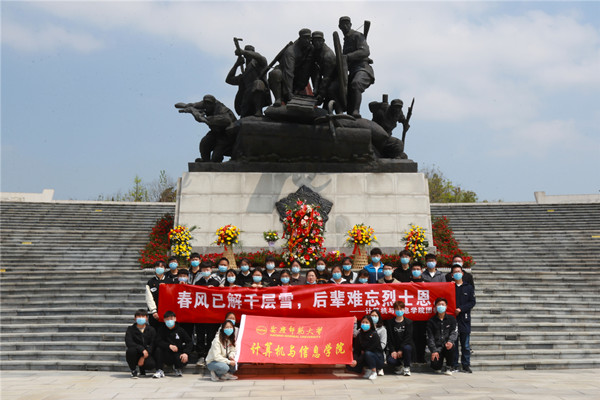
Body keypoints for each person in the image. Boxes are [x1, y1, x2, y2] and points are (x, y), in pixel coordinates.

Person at [176, 94, 237, 163]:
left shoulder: (222, 109)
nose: (207, 106)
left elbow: (227, 120)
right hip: (215, 132)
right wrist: (189, 107)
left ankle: (214, 163)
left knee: (216, 157)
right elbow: (180, 105)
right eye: (206, 103)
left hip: (227, 135)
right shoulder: (203, 104)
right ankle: (205, 160)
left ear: (214, 104)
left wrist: (206, 118)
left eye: (209, 104)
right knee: (204, 143)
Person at [338, 16, 375, 118]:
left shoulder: (357, 36)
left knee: (356, 83)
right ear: (340, 27)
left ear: (350, 25)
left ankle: (356, 111)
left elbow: (365, 51)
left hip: (363, 68)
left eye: (347, 24)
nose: (345, 26)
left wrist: (348, 57)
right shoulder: (346, 41)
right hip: (352, 71)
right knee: (341, 90)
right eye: (343, 24)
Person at [269, 28, 314, 106]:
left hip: (297, 76)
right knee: (275, 73)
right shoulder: (291, 51)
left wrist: (299, 87)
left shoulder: (310, 48)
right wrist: (289, 93)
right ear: (300, 38)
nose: (307, 41)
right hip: (284, 75)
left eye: (309, 38)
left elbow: (307, 68)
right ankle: (278, 99)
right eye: (305, 38)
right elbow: (288, 72)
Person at [226, 44, 271, 117]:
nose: (248, 54)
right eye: (247, 52)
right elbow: (229, 80)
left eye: (250, 52)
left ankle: (258, 110)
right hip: (246, 98)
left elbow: (259, 57)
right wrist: (236, 65)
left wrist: (243, 52)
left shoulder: (260, 64)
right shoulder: (244, 75)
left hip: (260, 92)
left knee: (258, 83)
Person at [451, 265, 476, 373]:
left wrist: (461, 309)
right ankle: (454, 364)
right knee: (454, 344)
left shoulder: (468, 287)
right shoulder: (450, 286)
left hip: (464, 319)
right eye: (455, 272)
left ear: (462, 273)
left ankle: (466, 364)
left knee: (465, 344)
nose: (457, 273)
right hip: (453, 319)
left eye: (459, 271)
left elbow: (472, 302)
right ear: (452, 275)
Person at [194, 261, 220, 366]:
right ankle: (201, 356)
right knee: (200, 336)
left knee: (211, 336)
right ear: (201, 270)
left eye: (208, 269)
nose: (206, 271)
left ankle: (210, 355)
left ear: (211, 270)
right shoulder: (198, 283)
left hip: (212, 314)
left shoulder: (216, 283)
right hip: (200, 314)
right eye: (204, 270)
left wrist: (214, 290)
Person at [153, 311, 192, 378]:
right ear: (164, 320)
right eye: (167, 319)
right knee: (158, 350)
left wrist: (186, 353)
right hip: (166, 353)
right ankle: (159, 370)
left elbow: (189, 342)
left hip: (177, 353)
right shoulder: (161, 329)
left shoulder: (180, 330)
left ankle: (177, 368)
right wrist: (168, 346)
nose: (169, 321)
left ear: (175, 319)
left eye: (171, 319)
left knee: (181, 358)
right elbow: (158, 341)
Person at [426, 298, 458, 375]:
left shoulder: (451, 319)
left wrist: (450, 341)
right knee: (435, 366)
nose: (441, 306)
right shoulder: (431, 321)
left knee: (452, 347)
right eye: (439, 304)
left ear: (446, 306)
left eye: (443, 304)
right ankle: (438, 365)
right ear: (436, 307)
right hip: (437, 347)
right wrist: (434, 350)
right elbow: (430, 337)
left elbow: (454, 332)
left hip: (447, 345)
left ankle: (449, 366)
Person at [310, 31, 340, 111]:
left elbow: (327, 78)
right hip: (325, 78)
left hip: (335, 79)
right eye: (315, 41)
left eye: (319, 41)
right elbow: (317, 72)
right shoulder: (316, 51)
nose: (317, 43)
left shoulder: (328, 55)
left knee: (331, 91)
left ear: (323, 41)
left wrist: (321, 94)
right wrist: (315, 89)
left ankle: (338, 109)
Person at [125, 309, 157, 378]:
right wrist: (142, 349)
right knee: (130, 351)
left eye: (143, 316)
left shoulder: (151, 329)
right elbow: (129, 342)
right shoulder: (130, 329)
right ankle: (133, 370)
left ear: (147, 318)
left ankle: (142, 370)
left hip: (147, 353)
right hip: (136, 352)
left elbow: (153, 343)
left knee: (151, 364)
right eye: (139, 316)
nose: (141, 318)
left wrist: (144, 355)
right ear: (135, 318)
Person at [349, 316, 383, 380]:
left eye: (367, 322)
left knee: (367, 353)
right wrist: (354, 360)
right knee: (350, 365)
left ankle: (374, 371)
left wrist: (357, 360)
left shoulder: (374, 335)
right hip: (364, 356)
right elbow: (357, 350)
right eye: (363, 322)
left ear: (370, 324)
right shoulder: (359, 335)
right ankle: (368, 369)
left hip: (376, 358)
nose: (364, 324)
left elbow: (370, 349)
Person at [385, 301, 413, 376]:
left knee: (407, 348)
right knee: (390, 361)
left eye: (401, 309)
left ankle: (407, 368)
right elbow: (389, 338)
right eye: (397, 309)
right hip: (395, 348)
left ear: (404, 309)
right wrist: (393, 351)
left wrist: (401, 349)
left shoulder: (408, 322)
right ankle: (400, 365)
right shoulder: (390, 322)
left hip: (405, 347)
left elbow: (408, 338)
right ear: (394, 310)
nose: (399, 311)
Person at [145, 261, 168, 330]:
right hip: (154, 313)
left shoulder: (169, 281)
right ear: (154, 268)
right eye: (157, 266)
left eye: (161, 267)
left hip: (167, 313)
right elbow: (149, 297)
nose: (159, 268)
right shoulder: (150, 282)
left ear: (165, 268)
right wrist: (154, 311)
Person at [369, 309, 387, 376]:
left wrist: (375, 349)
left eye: (375, 316)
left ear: (379, 317)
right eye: (372, 316)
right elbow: (355, 334)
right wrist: (355, 323)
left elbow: (383, 343)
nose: (373, 317)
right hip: (368, 350)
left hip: (378, 351)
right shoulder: (367, 327)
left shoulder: (382, 329)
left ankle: (380, 368)